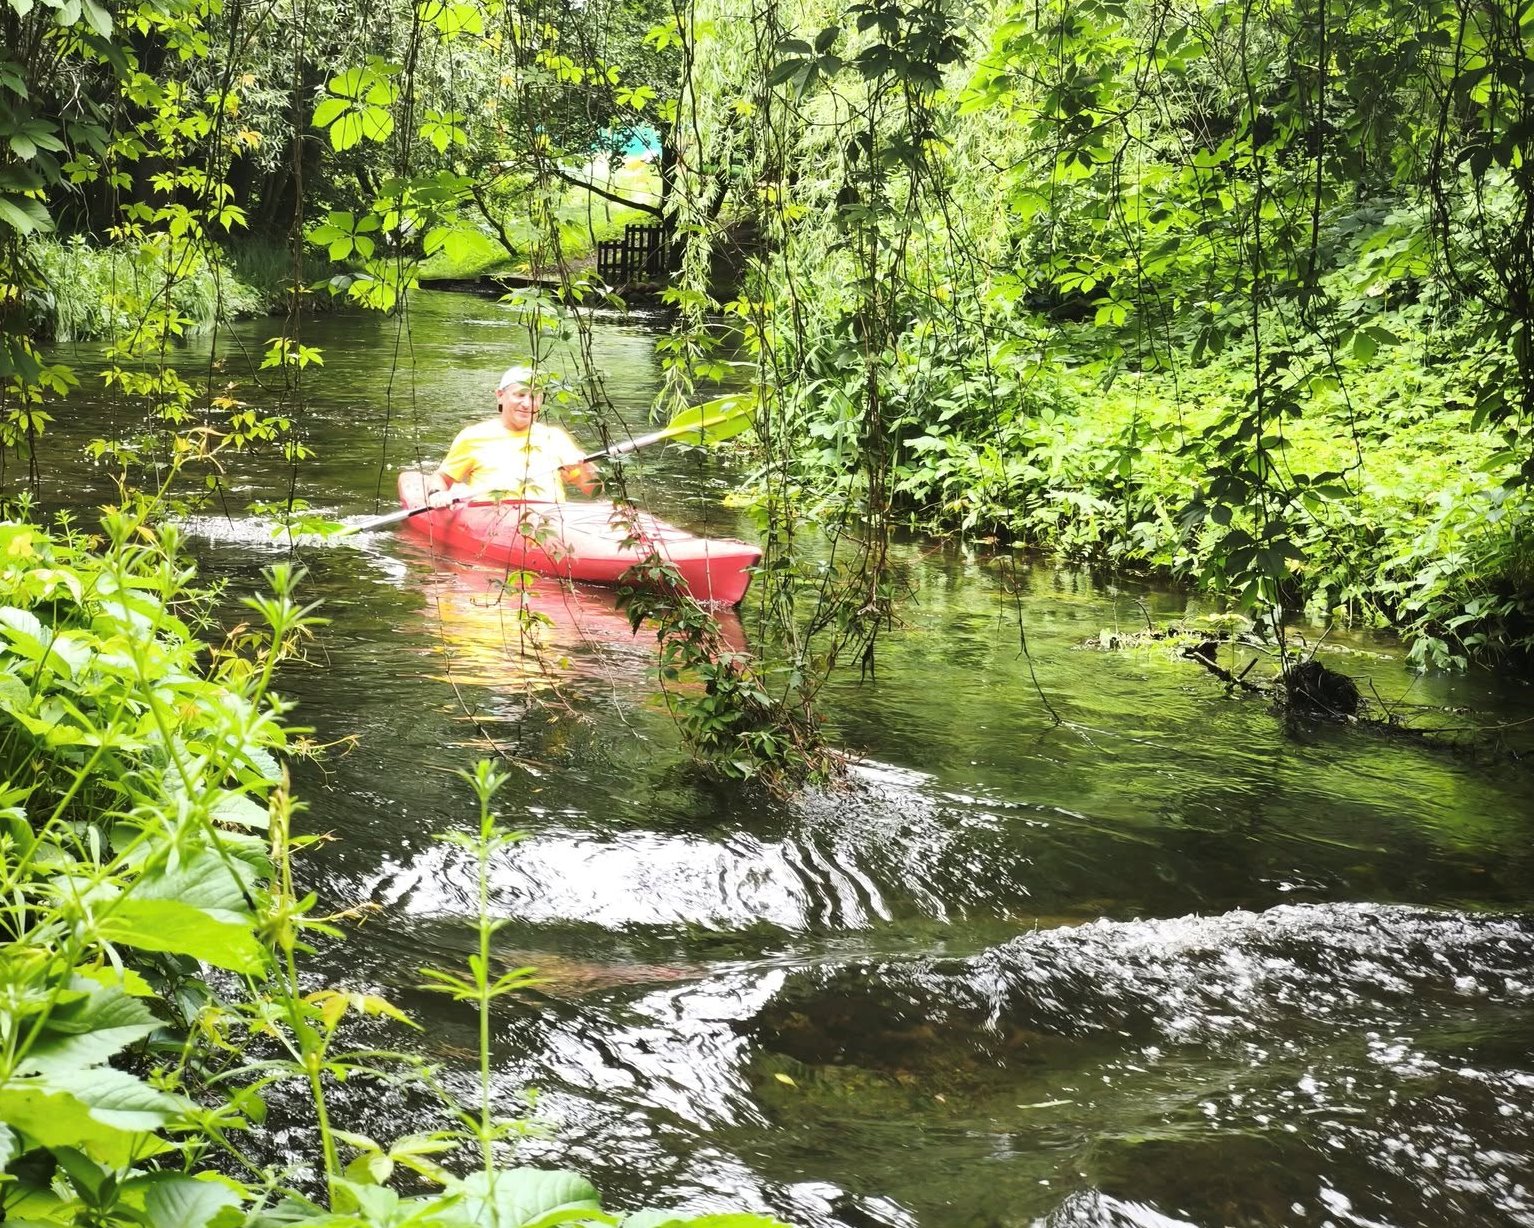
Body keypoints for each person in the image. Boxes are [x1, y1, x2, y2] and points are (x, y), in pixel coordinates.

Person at [424, 365, 598, 506]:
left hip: (550, 518)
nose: (527, 404)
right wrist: (437, 494)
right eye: (520, 395)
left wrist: (584, 466)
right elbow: (440, 478)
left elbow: (593, 489)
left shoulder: (555, 437)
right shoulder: (473, 437)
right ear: (500, 396)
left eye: (534, 397)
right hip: (493, 518)